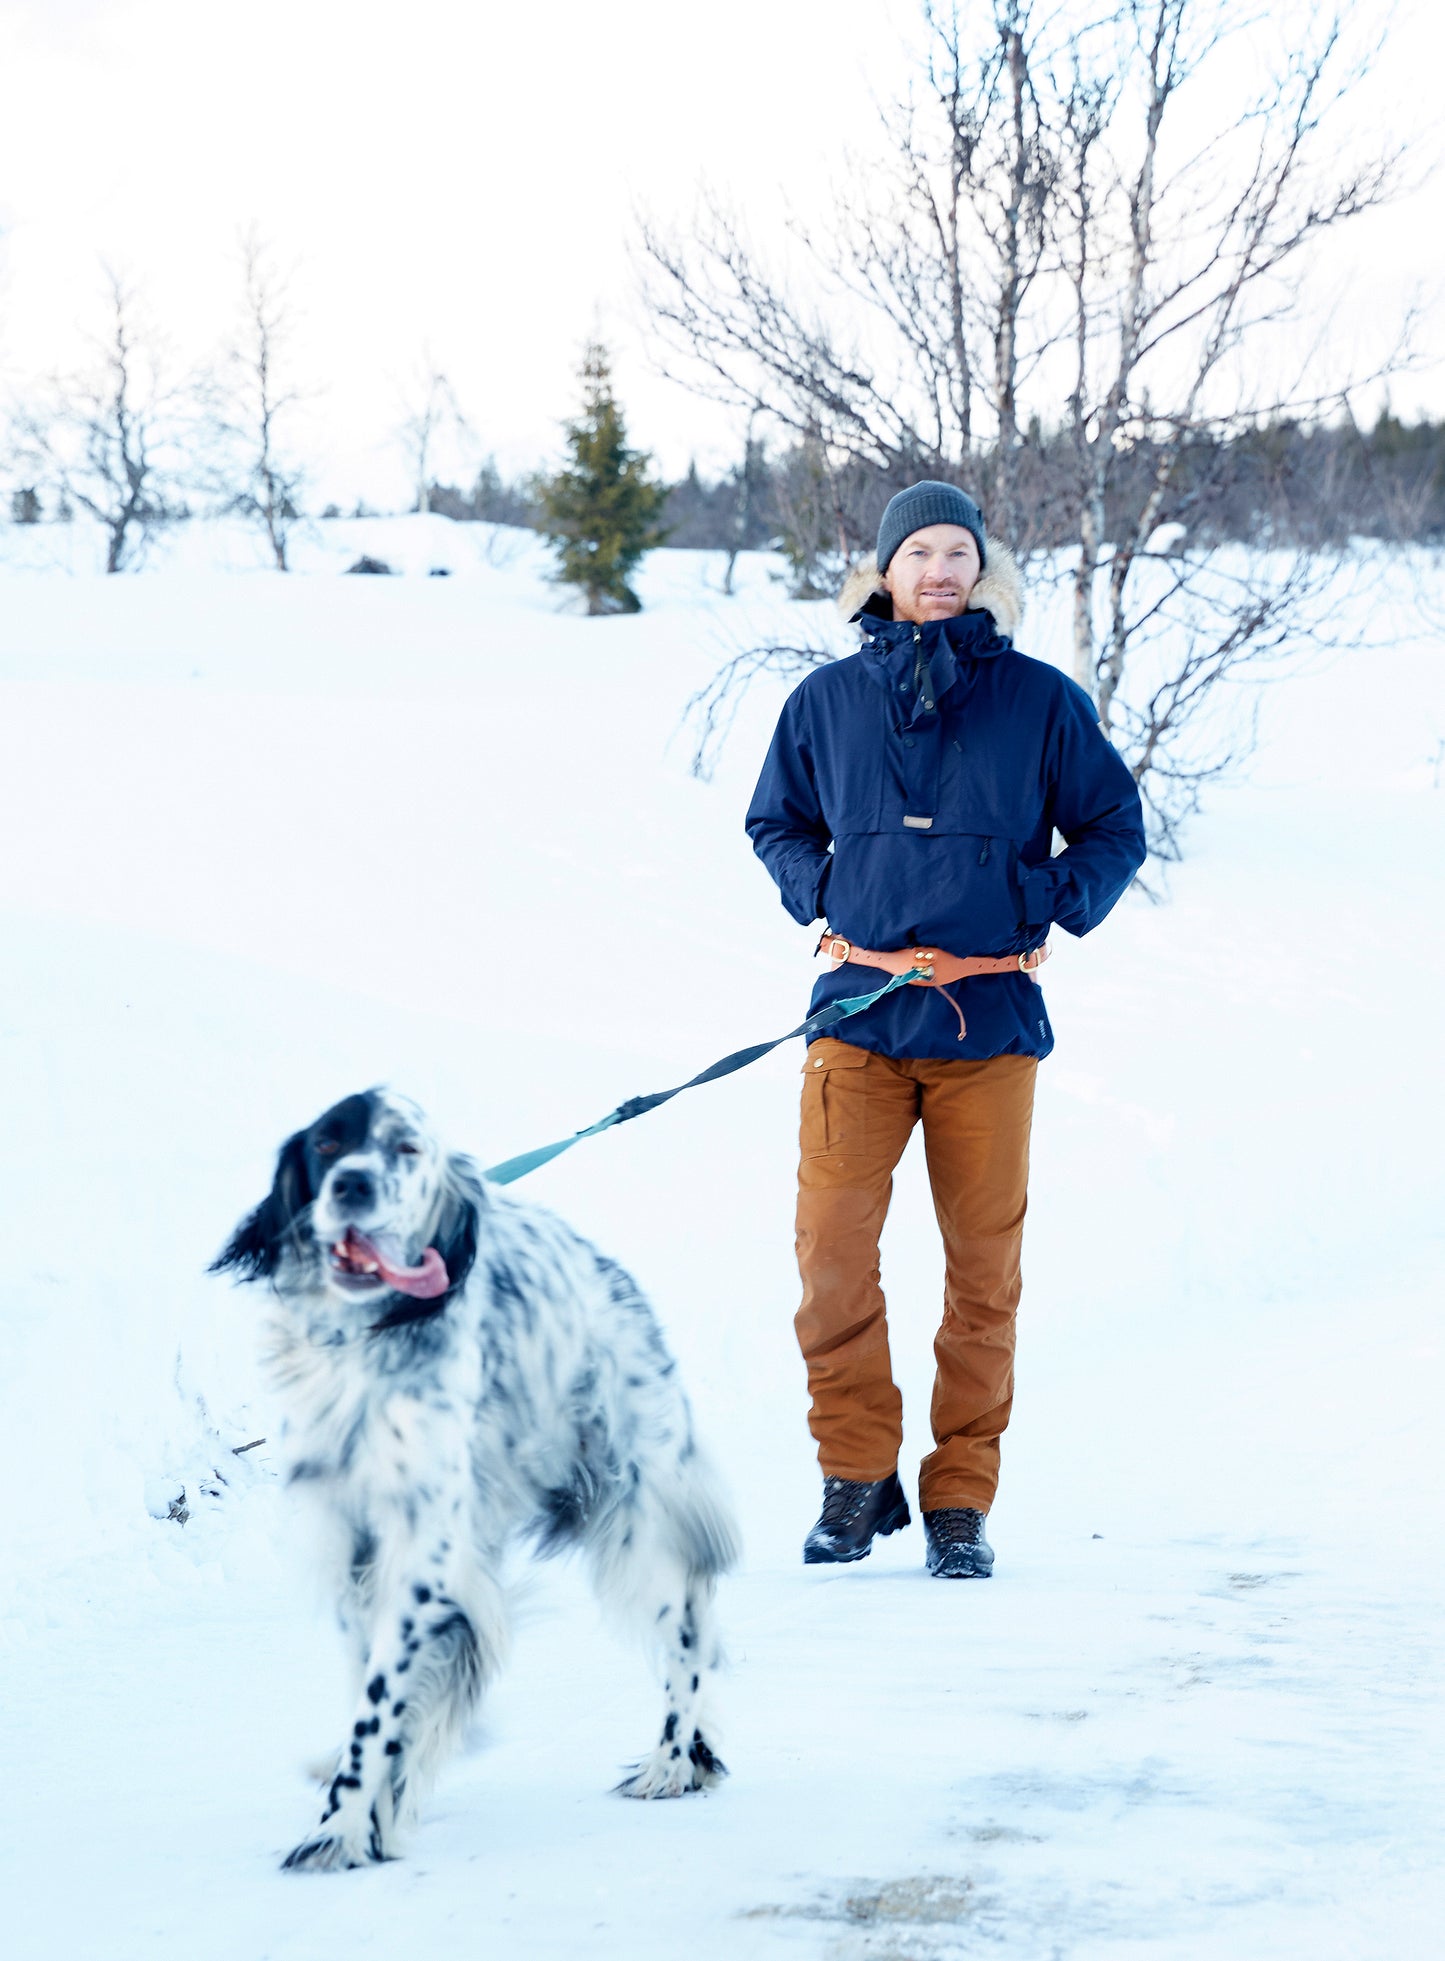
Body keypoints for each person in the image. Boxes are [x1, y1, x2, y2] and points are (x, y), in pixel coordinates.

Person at [746, 481, 1147, 1578]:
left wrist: (1047, 899)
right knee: (829, 1251)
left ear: (980, 569)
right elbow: (773, 817)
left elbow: (1113, 822)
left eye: (955, 550)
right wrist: (820, 884)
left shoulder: (1039, 701)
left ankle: (959, 1497)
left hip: (989, 1022)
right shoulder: (824, 700)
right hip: (859, 1017)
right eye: (915, 550)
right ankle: (853, 1476)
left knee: (981, 1273)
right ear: (882, 570)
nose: (936, 568)